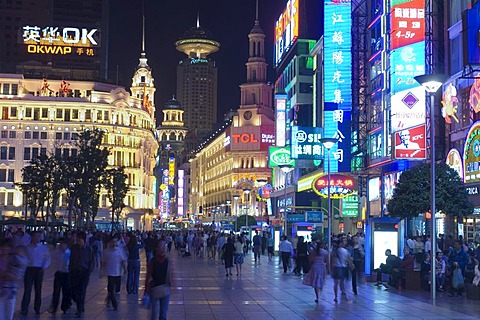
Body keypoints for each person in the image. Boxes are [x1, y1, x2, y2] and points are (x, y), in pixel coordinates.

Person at [21, 230, 51, 316]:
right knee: (27, 290)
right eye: (35, 236)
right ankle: (24, 308)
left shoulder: (43, 248)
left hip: (39, 269)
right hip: (29, 269)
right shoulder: (28, 247)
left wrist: (44, 267)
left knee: (38, 290)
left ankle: (37, 308)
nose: (37, 238)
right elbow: (23, 258)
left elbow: (47, 258)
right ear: (32, 237)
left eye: (38, 236)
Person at [0, 238, 28, 320]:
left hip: (10, 291)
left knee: (9, 314)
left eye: (7, 247)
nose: (5, 249)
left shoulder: (15, 259)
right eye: (3, 247)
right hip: (1, 289)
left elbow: (17, 275)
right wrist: (6, 274)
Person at [69, 231, 94, 317]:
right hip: (75, 271)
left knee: (82, 291)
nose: (78, 241)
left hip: (84, 272)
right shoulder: (74, 248)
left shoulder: (88, 249)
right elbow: (71, 260)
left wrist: (89, 271)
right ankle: (80, 304)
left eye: (79, 239)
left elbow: (91, 261)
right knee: (73, 291)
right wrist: (70, 269)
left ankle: (79, 309)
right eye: (77, 239)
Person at [145, 240, 172, 320]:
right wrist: (146, 291)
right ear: (157, 248)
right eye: (161, 246)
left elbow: (170, 276)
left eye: (165, 246)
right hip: (154, 290)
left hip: (165, 290)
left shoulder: (167, 261)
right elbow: (148, 276)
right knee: (154, 314)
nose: (163, 248)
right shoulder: (153, 261)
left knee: (163, 315)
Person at [102, 236, 127, 311]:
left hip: (118, 273)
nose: (114, 243)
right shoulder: (106, 251)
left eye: (115, 242)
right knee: (110, 288)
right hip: (110, 273)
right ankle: (114, 304)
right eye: (113, 242)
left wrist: (125, 269)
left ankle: (108, 300)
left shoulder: (119, 251)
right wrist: (102, 271)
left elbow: (123, 260)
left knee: (115, 290)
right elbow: (103, 262)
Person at [48, 237, 71, 314]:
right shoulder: (57, 253)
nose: (61, 245)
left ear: (66, 244)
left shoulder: (69, 253)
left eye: (63, 244)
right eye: (60, 243)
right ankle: (54, 307)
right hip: (59, 273)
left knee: (66, 291)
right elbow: (53, 262)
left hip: (67, 274)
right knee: (56, 291)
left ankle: (65, 307)